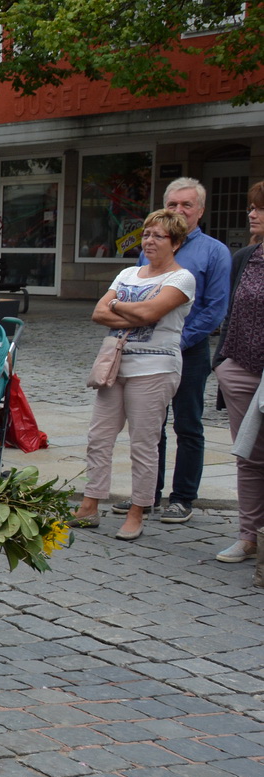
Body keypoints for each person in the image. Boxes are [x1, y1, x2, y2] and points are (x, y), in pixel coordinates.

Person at [71, 209, 195, 539]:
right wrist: (135, 314)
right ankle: (90, 503)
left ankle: (139, 510)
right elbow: (99, 312)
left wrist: (121, 308)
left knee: (143, 443)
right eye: (146, 235)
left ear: (177, 243)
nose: (149, 241)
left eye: (158, 236)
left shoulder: (181, 278)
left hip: (155, 369)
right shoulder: (128, 273)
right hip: (115, 367)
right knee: (98, 438)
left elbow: (152, 312)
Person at [145, 177, 229, 523]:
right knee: (150, 424)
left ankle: (182, 497)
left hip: (189, 350)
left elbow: (215, 308)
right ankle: (147, 493)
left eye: (187, 205)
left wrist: (179, 340)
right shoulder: (153, 243)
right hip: (151, 349)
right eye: (174, 204)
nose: (179, 211)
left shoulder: (214, 251)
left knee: (188, 424)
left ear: (200, 210)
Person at [213, 182, 264, 563]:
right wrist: (223, 364)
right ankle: (248, 537)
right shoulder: (246, 257)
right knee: (248, 457)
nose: (252, 214)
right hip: (241, 369)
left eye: (260, 209)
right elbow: (231, 313)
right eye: (250, 207)